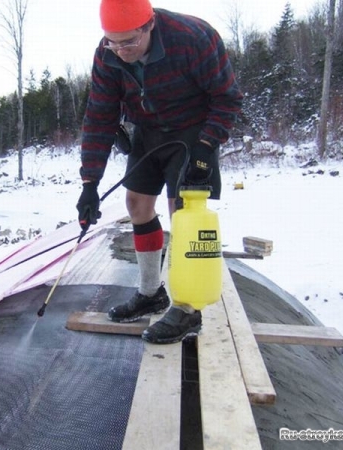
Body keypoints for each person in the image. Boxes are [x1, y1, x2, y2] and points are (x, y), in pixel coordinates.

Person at [76, 0, 242, 344]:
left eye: (129, 43)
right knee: (136, 204)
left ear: (149, 25)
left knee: (181, 210)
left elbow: (227, 98)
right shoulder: (107, 55)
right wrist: (90, 183)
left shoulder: (194, 38)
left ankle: (186, 309)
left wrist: (206, 147)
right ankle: (151, 292)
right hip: (148, 130)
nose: (120, 51)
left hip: (193, 130)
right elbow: (99, 116)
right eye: (112, 41)